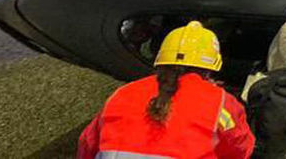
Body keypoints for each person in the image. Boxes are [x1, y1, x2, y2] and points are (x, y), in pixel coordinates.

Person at [77, 20, 255, 159]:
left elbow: (87, 145)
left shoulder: (123, 94)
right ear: (210, 68)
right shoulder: (220, 102)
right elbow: (240, 148)